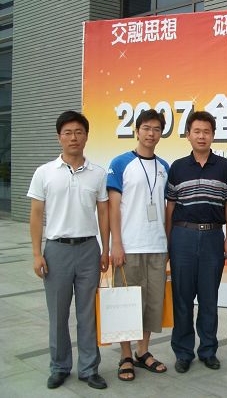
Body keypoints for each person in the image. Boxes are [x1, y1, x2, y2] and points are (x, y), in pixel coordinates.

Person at [28, 111, 109, 390]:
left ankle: (89, 368)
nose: (73, 137)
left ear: (86, 136)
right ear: (59, 137)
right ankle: (59, 367)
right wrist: (37, 253)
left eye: (78, 132)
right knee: (58, 314)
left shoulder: (98, 173)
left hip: (88, 249)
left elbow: (103, 213)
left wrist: (105, 249)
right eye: (68, 133)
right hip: (56, 250)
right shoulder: (44, 173)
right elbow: (36, 214)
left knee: (88, 313)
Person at [166, 111, 227, 373]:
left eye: (206, 131)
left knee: (209, 298)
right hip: (182, 237)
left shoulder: (224, 166)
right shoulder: (177, 167)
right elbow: (170, 207)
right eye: (196, 131)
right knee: (182, 298)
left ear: (213, 135)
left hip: (212, 237)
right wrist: (168, 241)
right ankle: (183, 352)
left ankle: (208, 350)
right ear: (188, 134)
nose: (201, 136)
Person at [107, 109, 170, 381]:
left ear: (161, 133)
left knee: (152, 303)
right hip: (129, 246)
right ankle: (125, 355)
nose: (151, 133)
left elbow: (167, 208)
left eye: (156, 129)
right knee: (126, 303)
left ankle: (143, 352)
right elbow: (113, 207)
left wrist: (167, 242)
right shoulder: (121, 163)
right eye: (146, 128)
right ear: (137, 131)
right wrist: (116, 244)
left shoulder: (164, 167)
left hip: (156, 246)